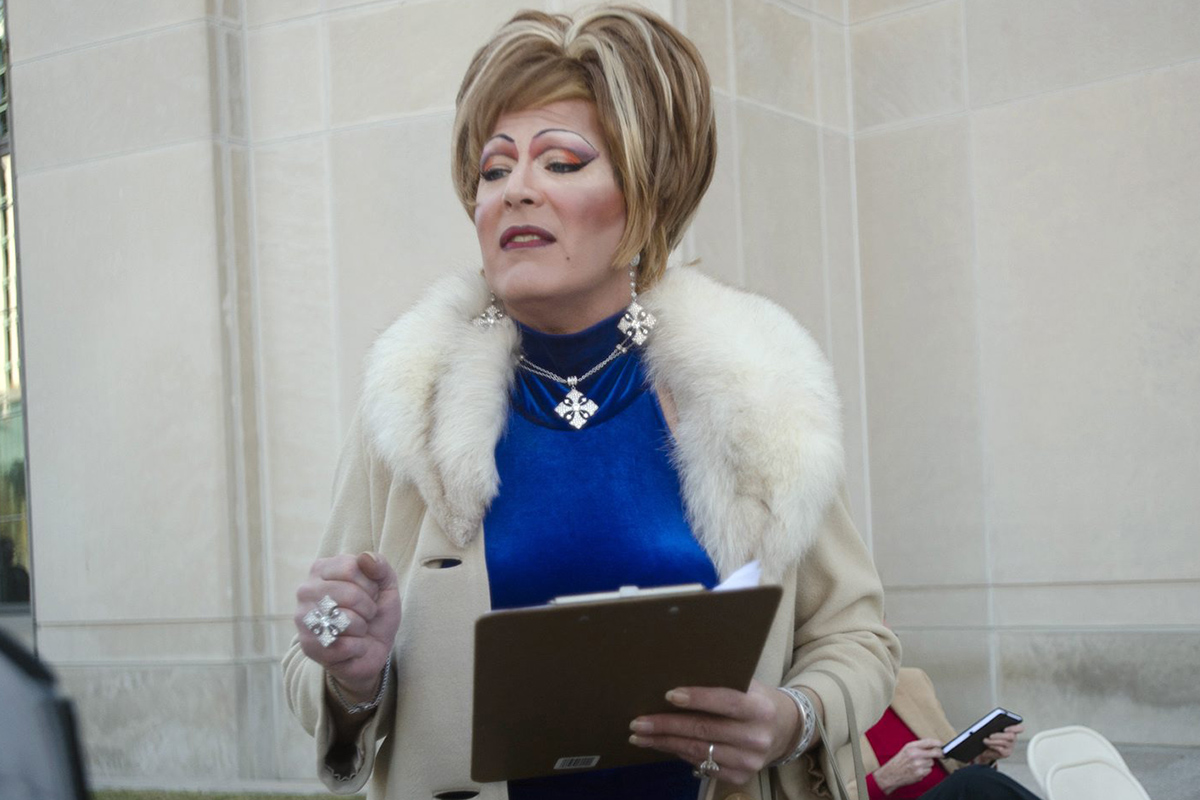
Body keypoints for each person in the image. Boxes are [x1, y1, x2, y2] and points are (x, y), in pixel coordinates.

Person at [283, 6, 900, 799]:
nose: (516, 192)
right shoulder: (411, 401)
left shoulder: (755, 389)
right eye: (494, 169)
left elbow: (856, 638)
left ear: (644, 196)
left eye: (562, 163)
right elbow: (314, 667)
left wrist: (792, 716)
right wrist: (351, 675)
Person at [854, 668, 1041, 800]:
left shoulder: (911, 680)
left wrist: (981, 757)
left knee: (974, 777)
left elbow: (953, 763)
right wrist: (884, 779)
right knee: (971, 780)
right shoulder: (827, 706)